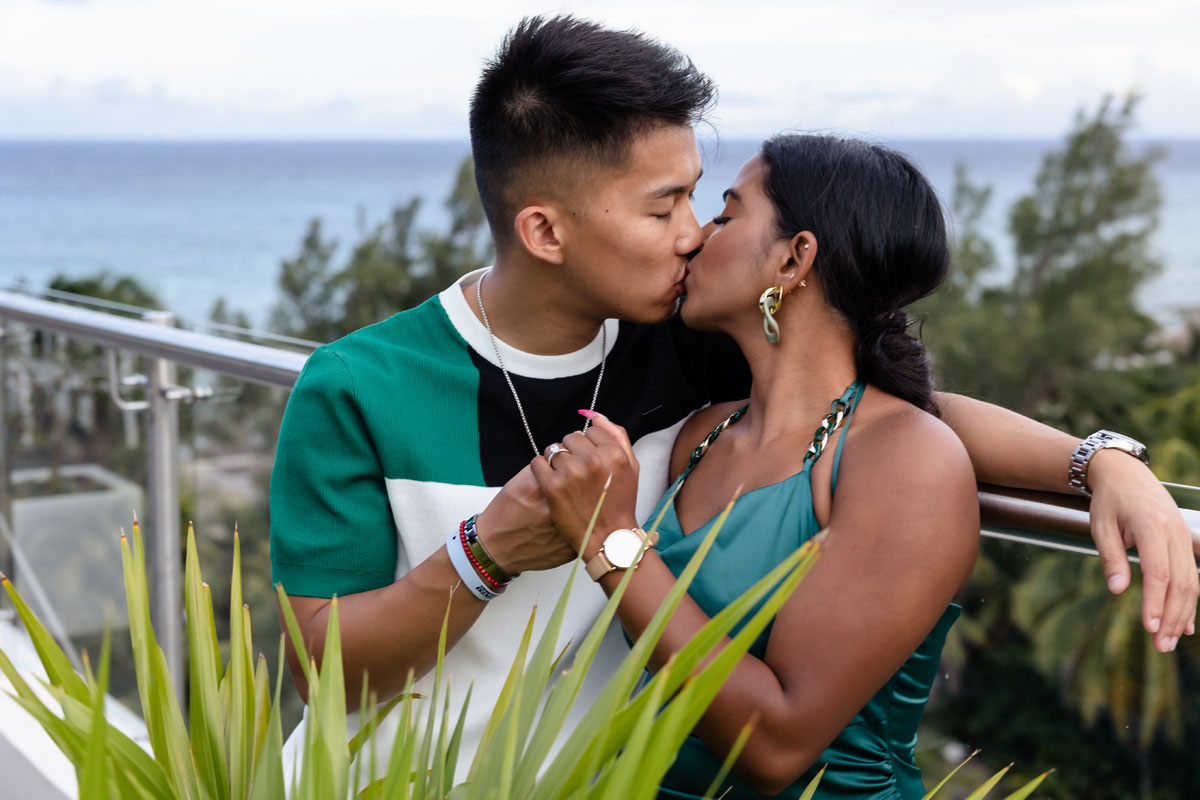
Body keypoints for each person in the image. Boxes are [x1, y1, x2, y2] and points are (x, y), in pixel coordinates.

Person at [269, 14, 1197, 773]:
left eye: (706, 201)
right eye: (663, 207)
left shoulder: (688, 353)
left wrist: (1099, 461)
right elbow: (321, 671)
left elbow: (890, 415)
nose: (693, 233)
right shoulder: (356, 386)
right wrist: (487, 553)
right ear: (545, 231)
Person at [530, 134, 979, 797]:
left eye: (727, 213)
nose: (695, 237)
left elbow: (776, 746)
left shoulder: (907, 460)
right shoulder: (704, 434)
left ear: (794, 259)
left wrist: (609, 542)